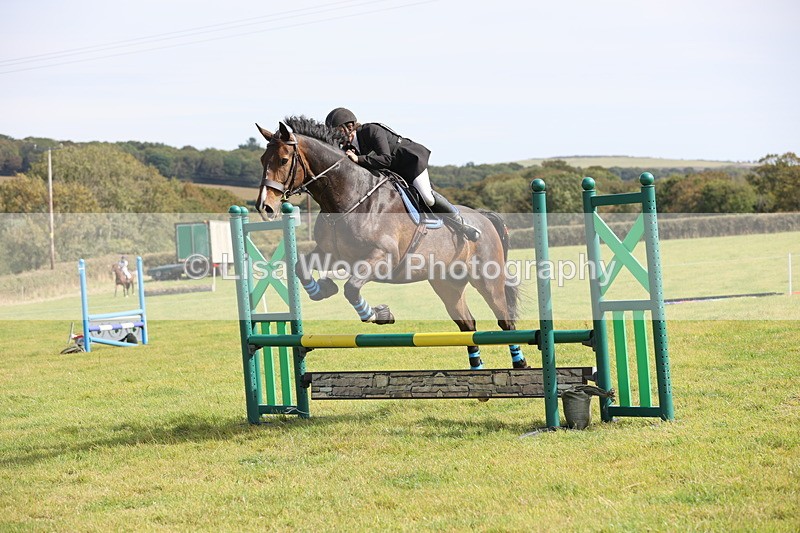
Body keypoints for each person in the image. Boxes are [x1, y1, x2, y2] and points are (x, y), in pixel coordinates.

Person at [325, 107, 481, 241]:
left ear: (349, 126)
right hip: (392, 171)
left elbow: (385, 159)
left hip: (410, 162)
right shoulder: (349, 147)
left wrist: (358, 159)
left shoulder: (371, 130)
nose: (335, 136)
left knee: (427, 197)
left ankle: (462, 223)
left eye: (337, 131)